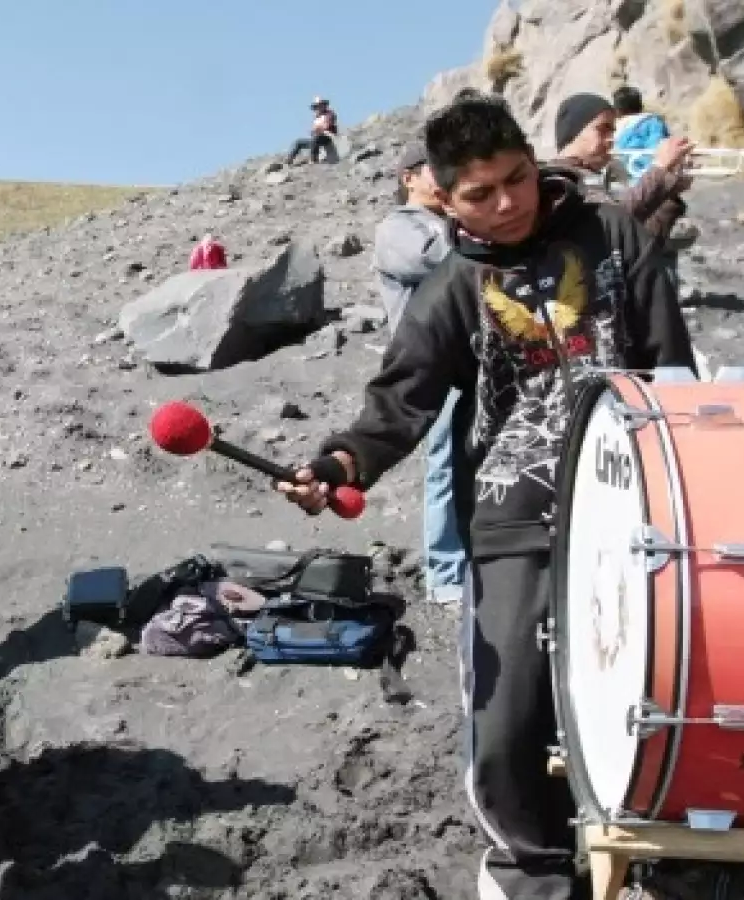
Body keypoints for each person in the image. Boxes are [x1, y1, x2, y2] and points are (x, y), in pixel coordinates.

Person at [278, 96, 695, 899]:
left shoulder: (612, 236)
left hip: (637, 513)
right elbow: (396, 405)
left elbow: (671, 370)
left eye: (516, 178)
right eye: (480, 193)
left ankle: (661, 853)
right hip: (512, 525)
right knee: (505, 727)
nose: (507, 202)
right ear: (443, 195)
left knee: (655, 696)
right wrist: (337, 467)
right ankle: (529, 872)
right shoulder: (451, 285)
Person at [370, 142, 465, 606]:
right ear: (409, 176)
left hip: (474, 361)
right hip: (433, 365)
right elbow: (439, 260)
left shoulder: (447, 222)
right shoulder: (397, 228)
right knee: (445, 464)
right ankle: (446, 574)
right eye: (438, 170)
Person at [547, 91, 694, 251]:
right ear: (574, 132)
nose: (612, 139)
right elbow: (612, 224)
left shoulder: (592, 177)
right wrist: (659, 169)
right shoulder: (558, 180)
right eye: (603, 129)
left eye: (612, 131)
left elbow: (637, 236)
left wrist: (670, 192)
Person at [611, 85, 672, 185]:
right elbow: (656, 148)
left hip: (627, 180)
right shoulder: (653, 122)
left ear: (617, 108)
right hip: (645, 179)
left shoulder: (613, 127)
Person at [285, 96, 340, 165]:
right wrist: (314, 131)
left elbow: (328, 125)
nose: (318, 108)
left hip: (327, 136)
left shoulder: (329, 114)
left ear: (324, 105)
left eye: (320, 105)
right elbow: (314, 130)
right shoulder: (316, 118)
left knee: (317, 138)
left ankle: (314, 160)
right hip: (317, 138)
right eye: (317, 106)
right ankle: (289, 159)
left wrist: (320, 129)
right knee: (299, 142)